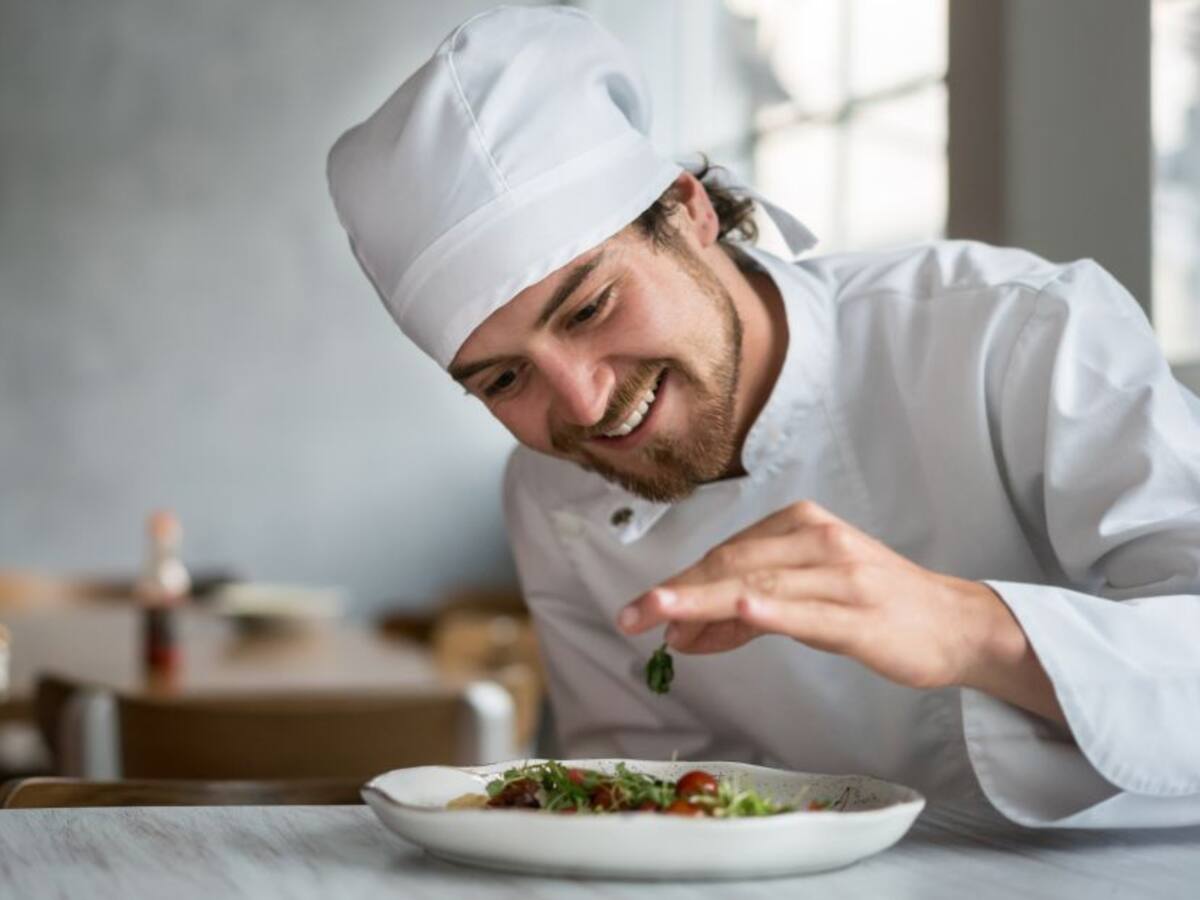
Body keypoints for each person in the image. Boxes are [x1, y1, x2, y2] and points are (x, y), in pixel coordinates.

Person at [328, 5, 1200, 828]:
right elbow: (638, 805)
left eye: (589, 310)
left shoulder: (1015, 330)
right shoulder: (547, 494)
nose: (584, 406)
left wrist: (966, 628)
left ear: (689, 210)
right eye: (505, 378)